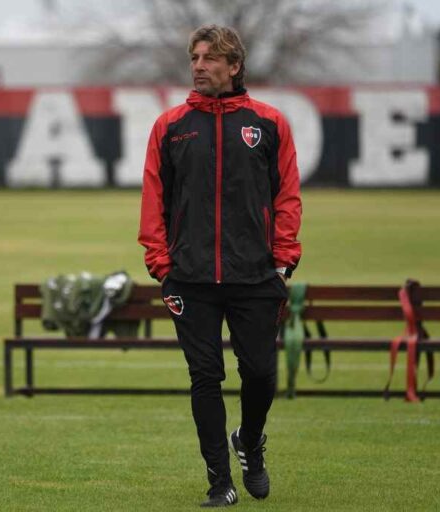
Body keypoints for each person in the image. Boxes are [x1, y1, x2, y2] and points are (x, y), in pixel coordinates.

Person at [138, 24, 302, 507]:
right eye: (195, 57)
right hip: (189, 280)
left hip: (255, 277)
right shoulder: (170, 127)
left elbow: (287, 196)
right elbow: (154, 200)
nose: (199, 66)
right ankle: (219, 482)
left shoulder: (269, 123)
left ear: (234, 66)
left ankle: (249, 441)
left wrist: (282, 264)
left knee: (260, 375)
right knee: (205, 377)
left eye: (210, 58)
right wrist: (161, 265)